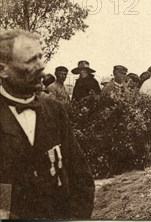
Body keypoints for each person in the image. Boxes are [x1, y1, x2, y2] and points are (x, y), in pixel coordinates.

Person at [0, 29, 94, 219]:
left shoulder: (54, 109)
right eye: (30, 61)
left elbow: (80, 176)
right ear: (3, 70)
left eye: (40, 57)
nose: (41, 66)